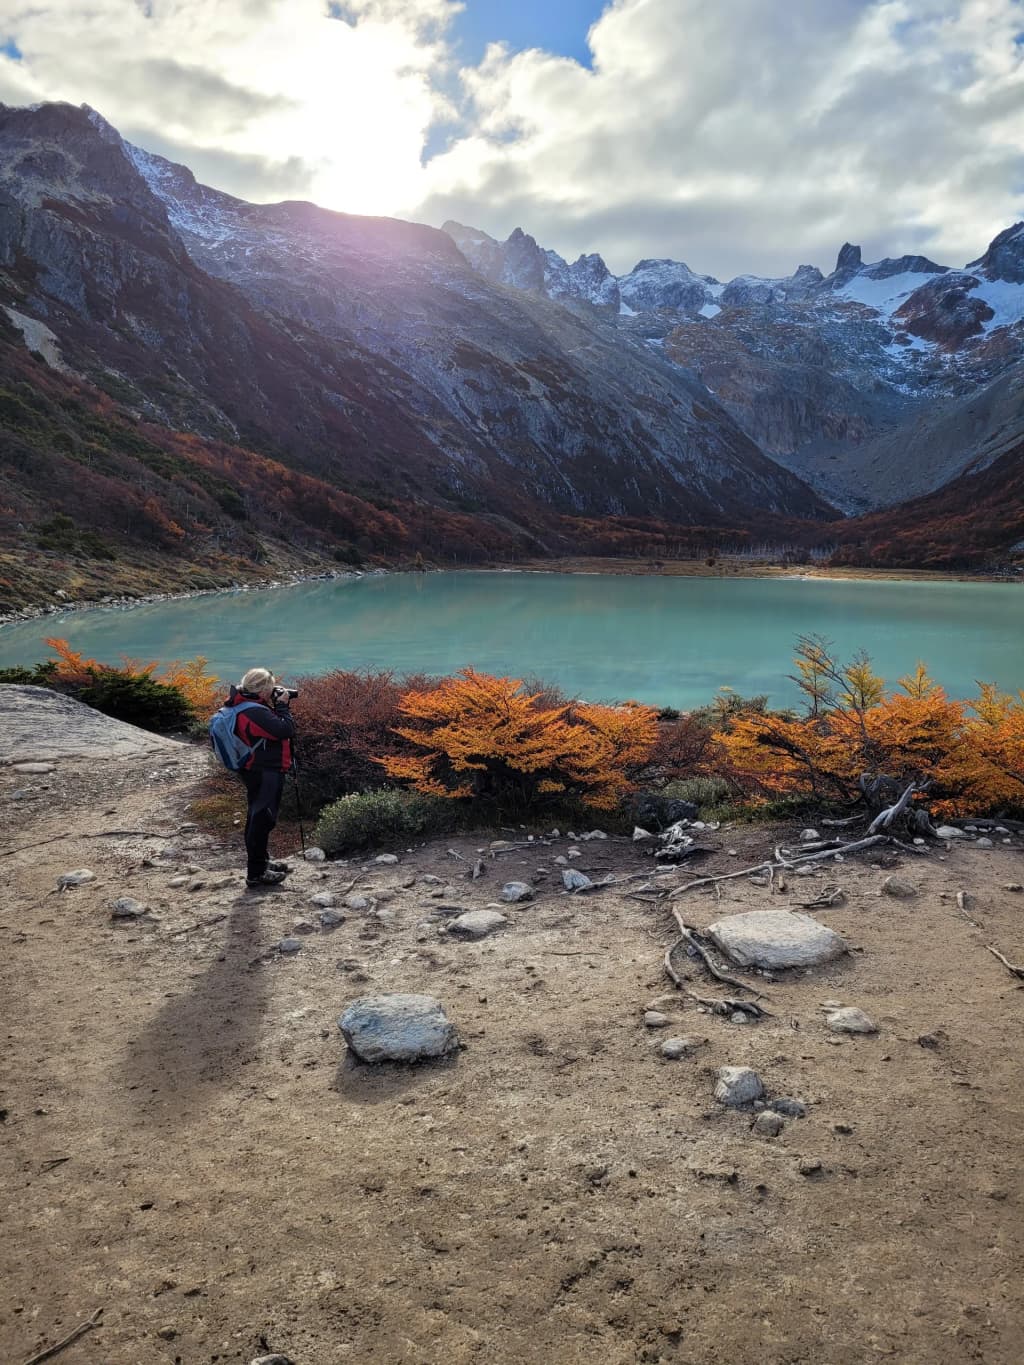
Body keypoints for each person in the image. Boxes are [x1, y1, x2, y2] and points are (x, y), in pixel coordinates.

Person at [226, 667, 296, 888]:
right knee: (262, 819)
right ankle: (256, 873)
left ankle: (261, 863)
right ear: (264, 690)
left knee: (257, 816)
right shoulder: (254, 711)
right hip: (265, 770)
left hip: (255, 769)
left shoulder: (243, 704)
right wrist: (283, 705)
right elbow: (285, 730)